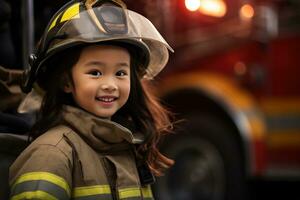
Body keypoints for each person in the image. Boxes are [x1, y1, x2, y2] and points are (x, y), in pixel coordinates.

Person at [9, 0, 174, 199]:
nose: (110, 84)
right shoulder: (50, 155)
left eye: (121, 72)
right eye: (95, 72)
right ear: (66, 81)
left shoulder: (130, 150)